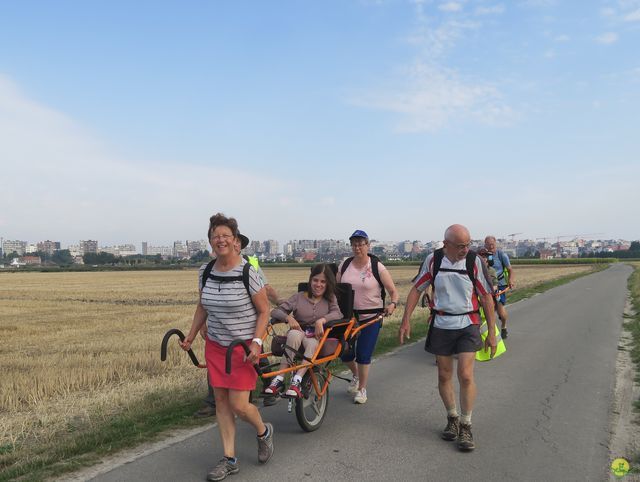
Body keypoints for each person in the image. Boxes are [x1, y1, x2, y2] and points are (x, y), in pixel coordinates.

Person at [181, 213, 274, 481]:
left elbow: (264, 311)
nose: (220, 240)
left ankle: (263, 431)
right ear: (210, 240)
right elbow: (202, 306)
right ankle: (230, 458)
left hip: (243, 349)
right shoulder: (206, 271)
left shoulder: (248, 272)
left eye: (225, 235)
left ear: (235, 241)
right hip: (216, 346)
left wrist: (256, 342)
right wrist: (191, 335)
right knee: (221, 402)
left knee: (239, 405)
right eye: (215, 235)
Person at [399, 224, 497, 451]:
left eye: (468, 244)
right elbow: (417, 289)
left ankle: (466, 424)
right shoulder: (433, 260)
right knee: (444, 375)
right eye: (461, 245)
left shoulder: (475, 262)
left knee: (464, 373)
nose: (466, 249)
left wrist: (492, 332)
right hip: (441, 323)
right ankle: (452, 418)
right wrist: (405, 319)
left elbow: (486, 297)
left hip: (468, 323)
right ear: (446, 245)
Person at [195, 233, 280, 418]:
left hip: (249, 323)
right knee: (217, 361)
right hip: (222, 327)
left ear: (239, 245)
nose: (235, 245)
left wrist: (281, 303)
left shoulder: (251, 264)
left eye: (238, 242)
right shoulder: (213, 266)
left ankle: (268, 387)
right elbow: (208, 300)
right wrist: (203, 323)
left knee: (257, 355)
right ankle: (215, 400)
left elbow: (266, 288)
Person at [336, 229, 399, 404]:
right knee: (344, 352)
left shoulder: (377, 266)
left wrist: (392, 304)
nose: (357, 248)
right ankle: (355, 375)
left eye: (360, 244)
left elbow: (393, 291)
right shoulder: (345, 264)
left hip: (371, 316)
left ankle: (362, 389)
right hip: (348, 317)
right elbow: (336, 289)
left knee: (364, 354)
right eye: (354, 244)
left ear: (367, 245)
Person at [264, 264, 343, 397]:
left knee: (312, 344)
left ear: (328, 283)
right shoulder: (299, 297)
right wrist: (288, 318)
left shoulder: (330, 299)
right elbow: (276, 311)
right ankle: (279, 379)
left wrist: (322, 320)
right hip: (298, 333)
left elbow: (338, 314)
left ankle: (297, 380)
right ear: (310, 280)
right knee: (294, 334)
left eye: (323, 281)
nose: (318, 285)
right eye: (315, 280)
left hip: (315, 337)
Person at [484, 236, 515, 339]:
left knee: (500, 309)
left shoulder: (501, 255)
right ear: (485, 245)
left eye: (492, 244)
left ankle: (503, 326)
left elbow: (510, 270)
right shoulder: (482, 255)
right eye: (488, 244)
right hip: (485, 286)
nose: (491, 246)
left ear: (495, 244)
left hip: (500, 285)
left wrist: (510, 280)